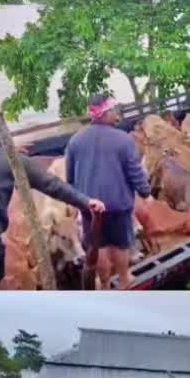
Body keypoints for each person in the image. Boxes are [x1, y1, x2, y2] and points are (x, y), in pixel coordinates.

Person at [0, 110, 105, 290]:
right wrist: (86, 201)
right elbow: (51, 185)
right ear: (0, 130)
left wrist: (8, 148)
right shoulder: (13, 160)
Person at [64, 94, 153, 290]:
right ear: (106, 113)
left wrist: (76, 202)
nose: (116, 114)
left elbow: (69, 177)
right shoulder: (123, 140)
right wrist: (146, 193)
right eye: (113, 110)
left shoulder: (75, 141)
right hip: (118, 205)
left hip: (89, 207)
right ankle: (123, 279)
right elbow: (135, 173)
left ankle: (104, 283)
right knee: (120, 245)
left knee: (98, 246)